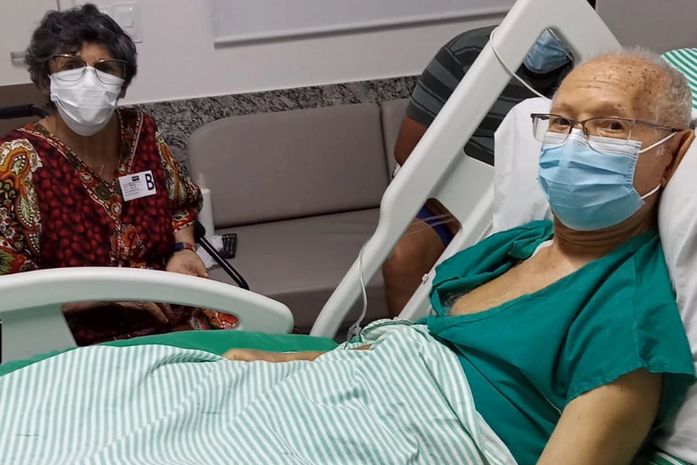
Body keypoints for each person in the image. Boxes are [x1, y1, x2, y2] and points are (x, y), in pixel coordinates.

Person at [224, 50, 696, 465]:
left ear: (674, 153)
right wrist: (302, 361)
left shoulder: (625, 325)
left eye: (611, 125)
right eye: (561, 122)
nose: (573, 144)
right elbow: (433, 347)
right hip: (326, 402)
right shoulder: (517, 245)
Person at [0, 4, 237, 345]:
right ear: (44, 78)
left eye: (105, 68)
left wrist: (183, 249)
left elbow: (179, 206)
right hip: (76, 337)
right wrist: (110, 292)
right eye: (70, 66)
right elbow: (11, 291)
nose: (89, 80)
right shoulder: (15, 161)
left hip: (172, 315)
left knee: (258, 358)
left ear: (123, 83)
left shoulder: (141, 132)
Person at [382, 1, 597, 317]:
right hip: (449, 204)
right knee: (403, 256)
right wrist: (470, 223)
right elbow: (409, 152)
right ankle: (405, 342)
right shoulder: (468, 55)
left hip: (546, 211)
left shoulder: (596, 65)